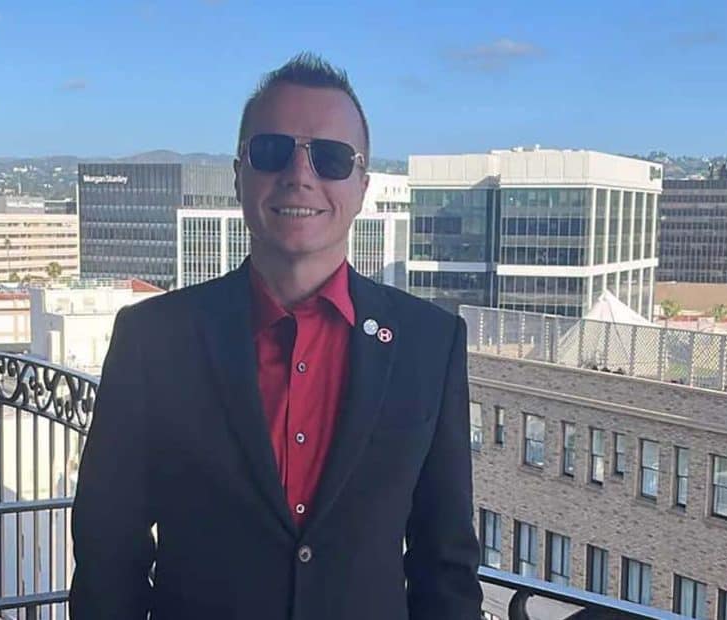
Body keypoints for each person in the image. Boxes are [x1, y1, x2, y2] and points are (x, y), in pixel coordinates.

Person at [69, 52, 482, 620]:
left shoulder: (430, 345)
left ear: (363, 186)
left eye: (331, 158)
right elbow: (107, 550)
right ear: (239, 174)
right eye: (271, 151)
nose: (300, 174)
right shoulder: (154, 339)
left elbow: (445, 565)